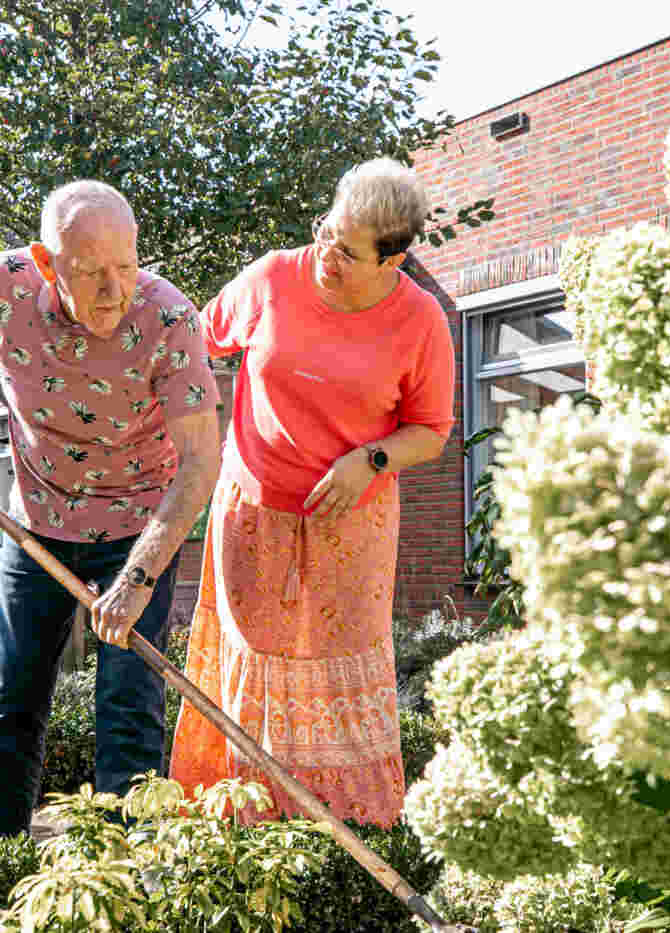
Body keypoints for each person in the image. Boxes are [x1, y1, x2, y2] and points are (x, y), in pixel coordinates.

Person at [169, 157, 455, 827]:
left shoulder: (421, 323)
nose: (325, 254)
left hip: (351, 526)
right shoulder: (273, 276)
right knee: (256, 667)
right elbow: (191, 338)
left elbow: (432, 430)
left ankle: (350, 836)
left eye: (349, 251)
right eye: (326, 232)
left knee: (338, 672)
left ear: (395, 258)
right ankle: (238, 827)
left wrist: (372, 457)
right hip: (253, 514)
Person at [0, 180, 221, 841]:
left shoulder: (169, 319)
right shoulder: (1, 285)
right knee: (15, 700)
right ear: (46, 262)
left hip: (139, 528)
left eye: (125, 266)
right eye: (89, 270)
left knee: (129, 709)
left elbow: (201, 464)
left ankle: (122, 880)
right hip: (36, 520)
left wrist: (137, 579)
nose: (112, 290)